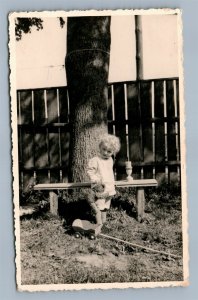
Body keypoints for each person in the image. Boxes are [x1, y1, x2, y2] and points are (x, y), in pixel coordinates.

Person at [86, 134, 121, 232]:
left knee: (105, 207)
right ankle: (99, 224)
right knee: (99, 207)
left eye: (109, 151)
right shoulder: (95, 160)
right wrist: (94, 179)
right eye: (104, 149)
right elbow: (90, 171)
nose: (105, 153)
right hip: (100, 188)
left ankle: (104, 223)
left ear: (113, 152)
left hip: (109, 188)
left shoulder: (110, 160)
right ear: (100, 147)